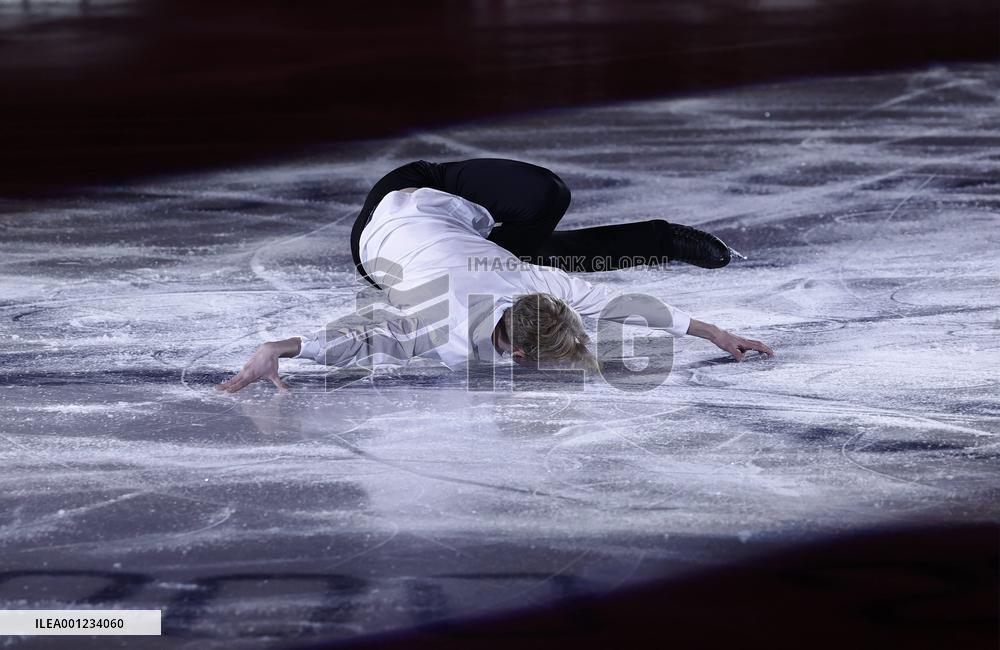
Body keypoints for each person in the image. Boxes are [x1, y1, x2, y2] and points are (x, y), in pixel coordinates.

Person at [217, 158, 773, 393]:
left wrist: (714, 334)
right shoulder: (442, 324)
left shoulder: (534, 289)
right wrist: (282, 347)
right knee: (544, 225)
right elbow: (362, 338)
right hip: (422, 218)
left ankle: (658, 238)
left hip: (416, 222)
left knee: (545, 226)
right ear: (524, 352)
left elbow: (619, 303)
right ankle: (655, 238)